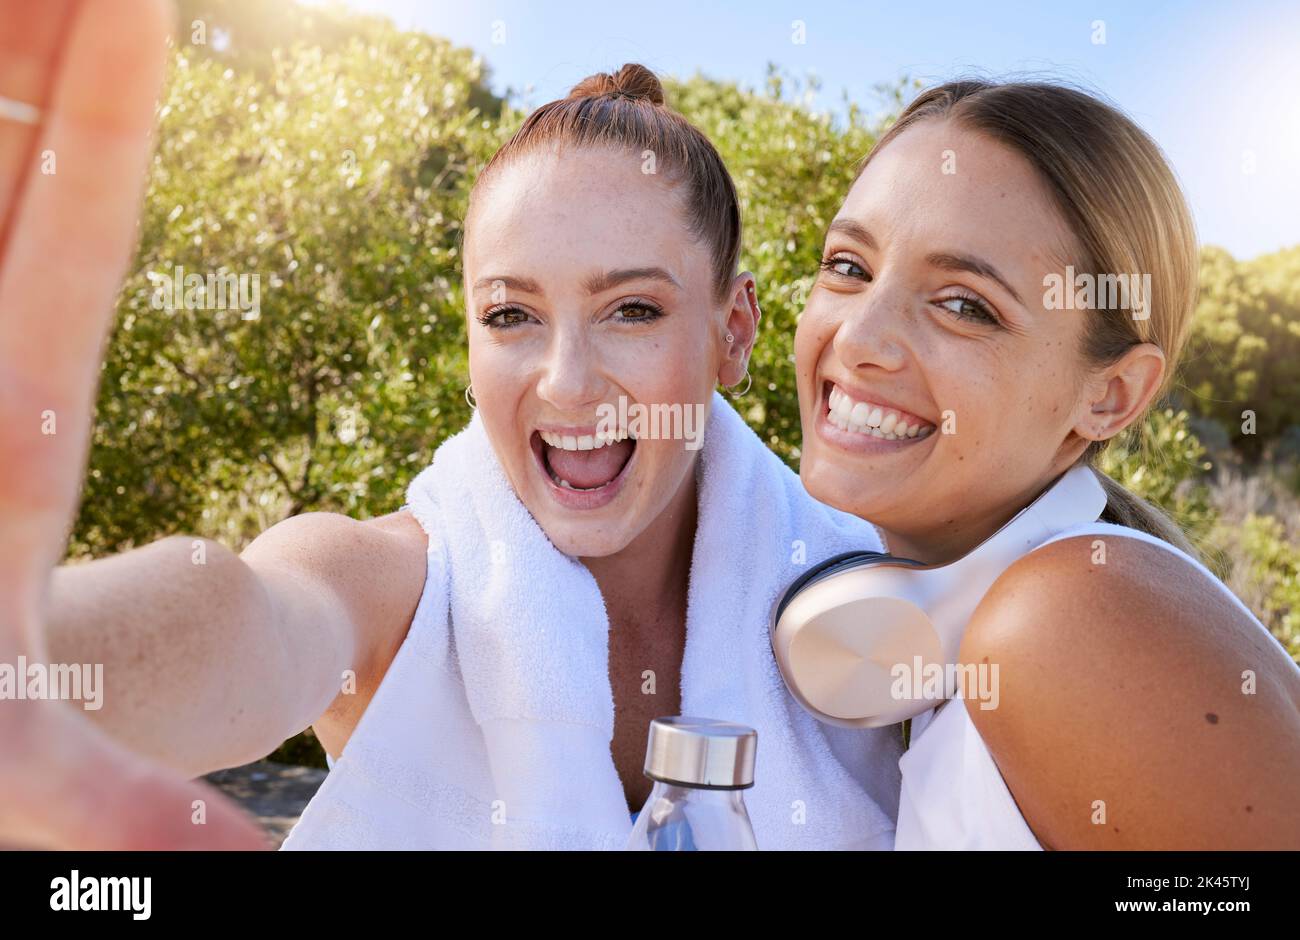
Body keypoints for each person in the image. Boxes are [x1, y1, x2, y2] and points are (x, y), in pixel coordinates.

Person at [0, 1, 900, 850]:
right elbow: (256, 617)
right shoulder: (400, 590)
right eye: (512, 316)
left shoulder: (872, 602)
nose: (569, 384)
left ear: (731, 332)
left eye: (631, 310)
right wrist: (32, 665)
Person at [792, 79, 1300, 849]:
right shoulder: (986, 616)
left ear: (1110, 395)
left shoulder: (1055, 622)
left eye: (964, 305)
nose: (860, 337)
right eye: (849, 267)